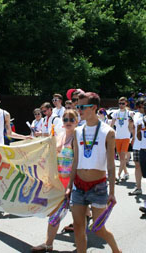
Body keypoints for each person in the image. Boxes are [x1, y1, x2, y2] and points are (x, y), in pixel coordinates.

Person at [66, 92, 121, 253]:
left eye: (82, 107)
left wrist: (112, 192)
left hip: (98, 187)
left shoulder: (108, 132)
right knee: (78, 227)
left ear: (94, 108)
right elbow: (75, 161)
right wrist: (69, 186)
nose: (78, 110)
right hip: (78, 186)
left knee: (98, 228)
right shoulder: (77, 131)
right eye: (77, 106)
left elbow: (111, 165)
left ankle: (116, 250)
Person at [31, 110, 79, 252]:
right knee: (54, 215)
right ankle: (49, 245)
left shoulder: (78, 138)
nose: (68, 122)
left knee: (78, 216)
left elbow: (79, 163)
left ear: (77, 121)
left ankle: (82, 246)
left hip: (74, 183)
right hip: (58, 182)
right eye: (65, 119)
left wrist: (71, 185)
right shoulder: (59, 136)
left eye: (71, 119)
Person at [110, 97, 134, 182]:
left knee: (123, 156)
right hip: (117, 137)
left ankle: (118, 174)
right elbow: (112, 125)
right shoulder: (115, 113)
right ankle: (126, 172)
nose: (121, 105)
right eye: (120, 103)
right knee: (121, 158)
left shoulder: (130, 113)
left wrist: (133, 136)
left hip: (126, 137)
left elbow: (131, 126)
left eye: (123, 103)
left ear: (126, 103)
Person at [129, 99, 145, 196]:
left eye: (142, 106)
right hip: (137, 144)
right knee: (137, 166)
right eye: (138, 106)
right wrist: (133, 136)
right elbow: (132, 128)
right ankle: (138, 187)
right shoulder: (136, 115)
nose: (140, 108)